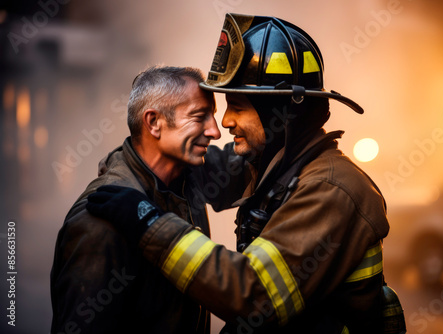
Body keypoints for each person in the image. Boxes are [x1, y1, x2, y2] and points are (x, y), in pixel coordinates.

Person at [86, 13, 405, 334]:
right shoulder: (277, 165)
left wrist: (148, 222)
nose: (224, 122)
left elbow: (254, 296)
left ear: (279, 114)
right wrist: (131, 164)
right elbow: (202, 167)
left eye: (237, 106)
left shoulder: (331, 189)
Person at [50, 65, 249, 333]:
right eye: (200, 116)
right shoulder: (99, 222)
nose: (215, 131)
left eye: (212, 115)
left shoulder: (188, 172)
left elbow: (249, 164)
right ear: (154, 122)